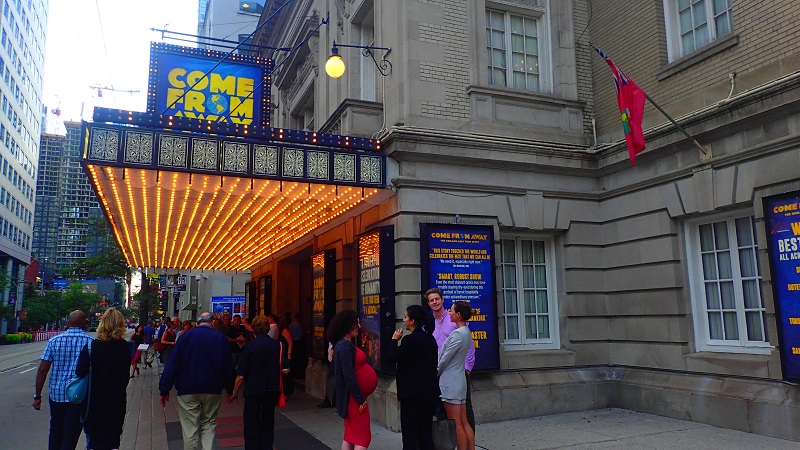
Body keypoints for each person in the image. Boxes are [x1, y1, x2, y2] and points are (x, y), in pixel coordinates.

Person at [159, 311, 236, 450]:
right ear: (213, 323)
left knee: (190, 427)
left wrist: (164, 389)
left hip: (187, 389)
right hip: (213, 389)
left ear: (197, 323)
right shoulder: (220, 338)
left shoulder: (185, 337)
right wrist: (231, 389)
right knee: (209, 423)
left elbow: (172, 365)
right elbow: (228, 367)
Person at [32, 310, 94, 450]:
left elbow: (42, 370)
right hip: (79, 396)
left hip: (57, 395)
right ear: (85, 323)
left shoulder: (54, 341)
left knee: (56, 430)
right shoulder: (91, 343)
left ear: (68, 323)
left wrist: (37, 396)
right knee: (71, 433)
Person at [228, 315, 289, 449]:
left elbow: (241, 375)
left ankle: (252, 447)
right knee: (268, 419)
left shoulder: (250, 346)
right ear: (267, 329)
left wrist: (234, 391)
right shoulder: (278, 345)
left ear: (253, 330)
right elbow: (286, 370)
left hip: (253, 389)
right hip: (272, 388)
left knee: (251, 422)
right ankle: (266, 446)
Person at [75, 308, 131, 450]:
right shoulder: (125, 347)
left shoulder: (91, 347)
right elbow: (126, 376)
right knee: (113, 440)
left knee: (95, 440)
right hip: (117, 400)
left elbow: (80, 372)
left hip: (94, 401)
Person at [386, 305, 439, 450]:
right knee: (425, 433)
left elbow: (391, 357)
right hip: (429, 393)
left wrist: (393, 340)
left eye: (405, 317)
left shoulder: (410, 340)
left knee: (410, 435)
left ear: (412, 320)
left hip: (412, 395)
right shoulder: (430, 339)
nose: (403, 320)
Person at [426, 288, 476, 431]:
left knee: (465, 411)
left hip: (457, 371)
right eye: (431, 300)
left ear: (442, 300)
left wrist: (467, 368)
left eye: (437, 299)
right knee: (442, 410)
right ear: (428, 303)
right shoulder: (429, 322)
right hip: (439, 371)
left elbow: (469, 346)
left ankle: (468, 442)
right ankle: (449, 442)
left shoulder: (454, 319)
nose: (434, 302)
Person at [330, 310, 377, 450]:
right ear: (346, 325)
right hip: (354, 400)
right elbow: (348, 375)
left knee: (351, 436)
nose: (359, 326)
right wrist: (360, 398)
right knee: (363, 438)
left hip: (353, 399)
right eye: (355, 323)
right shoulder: (344, 346)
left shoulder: (342, 345)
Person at [437, 301, 475, 450]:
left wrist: (435, 374)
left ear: (458, 315)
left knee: (456, 422)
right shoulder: (466, 332)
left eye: (451, 310)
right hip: (458, 380)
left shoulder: (457, 334)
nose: (449, 312)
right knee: (463, 421)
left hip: (450, 382)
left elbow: (444, 359)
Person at [270, 314, 294, 399]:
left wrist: (289, 354)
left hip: (284, 353)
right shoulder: (277, 330)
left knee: (285, 374)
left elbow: (290, 342)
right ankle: (282, 392)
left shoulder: (284, 330)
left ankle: (286, 393)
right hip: (280, 353)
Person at [289, 313, 306, 380]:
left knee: (294, 358)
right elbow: (300, 333)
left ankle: (295, 373)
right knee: (299, 358)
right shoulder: (298, 324)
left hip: (293, 342)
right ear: (298, 317)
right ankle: (299, 373)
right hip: (298, 342)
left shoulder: (291, 325)